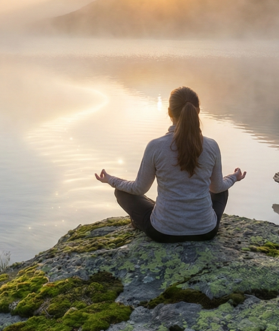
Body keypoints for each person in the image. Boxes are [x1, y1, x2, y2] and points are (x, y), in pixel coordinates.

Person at [94, 86, 245, 243]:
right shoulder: (212, 145)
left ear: (169, 112)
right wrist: (233, 177)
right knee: (222, 191)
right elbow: (217, 188)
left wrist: (111, 180)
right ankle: (195, 219)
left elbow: (139, 188)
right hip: (206, 232)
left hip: (163, 233)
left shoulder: (155, 146)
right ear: (198, 111)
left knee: (122, 192)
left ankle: (152, 219)